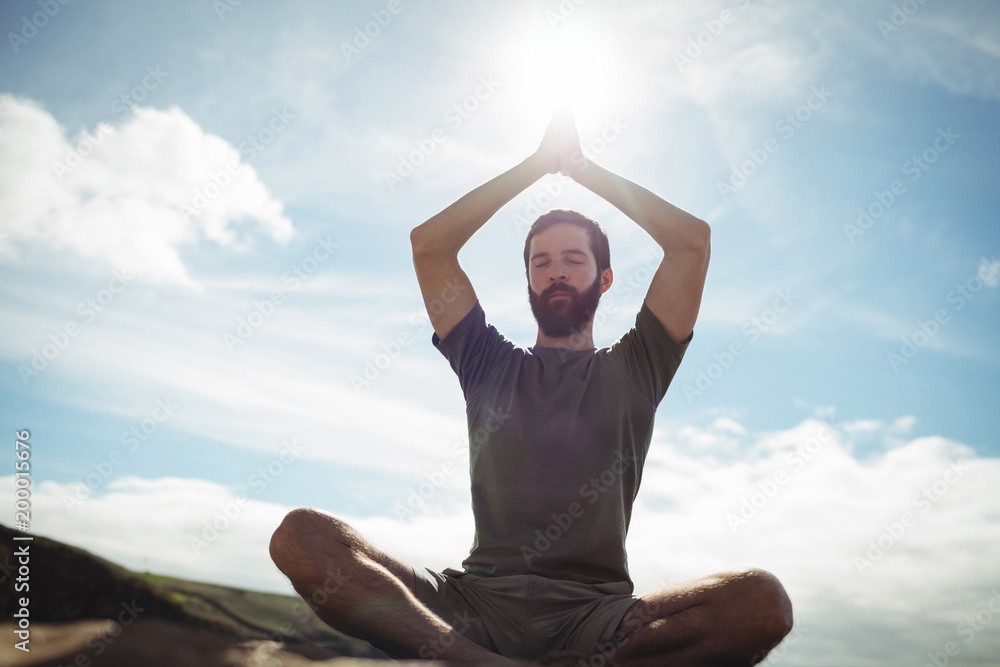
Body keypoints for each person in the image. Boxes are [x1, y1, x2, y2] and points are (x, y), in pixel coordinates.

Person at [269, 108, 793, 666]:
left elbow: (691, 243)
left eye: (573, 259)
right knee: (301, 536)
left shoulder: (639, 365)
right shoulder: (485, 361)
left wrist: (582, 168)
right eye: (541, 262)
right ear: (527, 281)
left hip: (596, 619)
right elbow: (430, 247)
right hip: (472, 609)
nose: (556, 271)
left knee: (761, 601)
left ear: (605, 278)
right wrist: (536, 166)